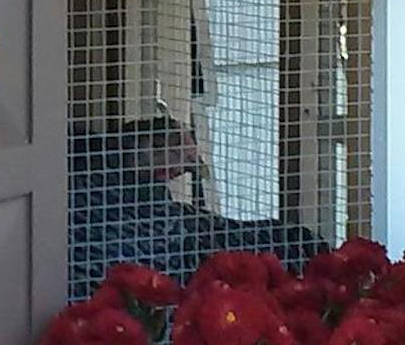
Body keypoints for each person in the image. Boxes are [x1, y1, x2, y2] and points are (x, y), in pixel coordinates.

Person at [66, 109, 323, 298]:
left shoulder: (151, 200)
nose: (184, 169)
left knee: (282, 242)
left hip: (182, 242)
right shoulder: (89, 189)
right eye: (176, 152)